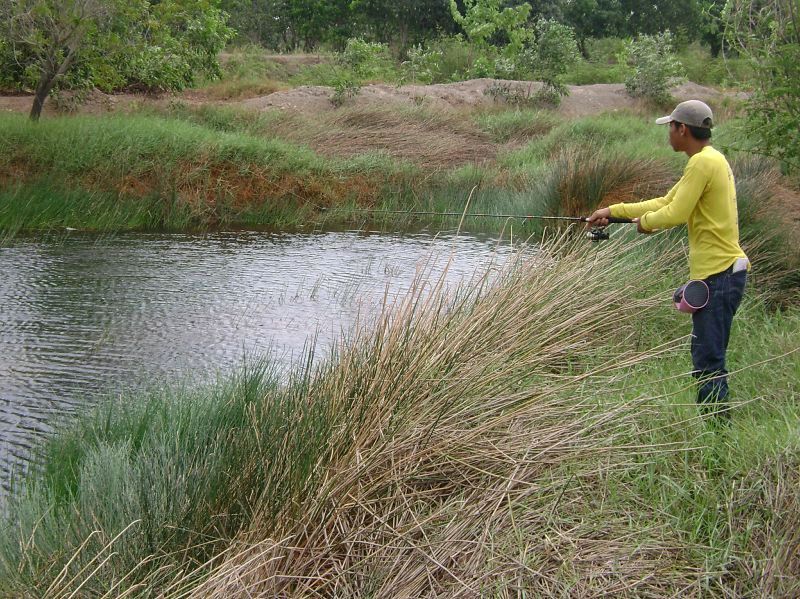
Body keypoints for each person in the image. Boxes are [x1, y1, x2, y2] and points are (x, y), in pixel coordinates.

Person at [587, 100, 750, 419]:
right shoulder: (711, 160)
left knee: (708, 361)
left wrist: (646, 224)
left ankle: (718, 439)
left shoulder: (703, 163)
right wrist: (613, 211)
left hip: (719, 276)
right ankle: (717, 433)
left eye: (670, 128)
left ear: (683, 129)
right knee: (708, 357)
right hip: (722, 273)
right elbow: (666, 201)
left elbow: (674, 213)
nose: (669, 134)